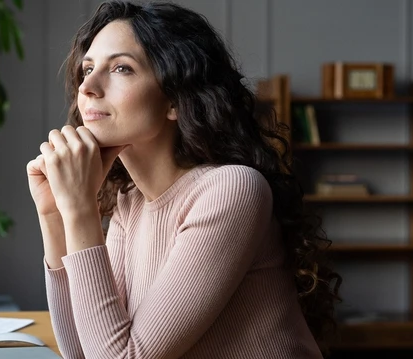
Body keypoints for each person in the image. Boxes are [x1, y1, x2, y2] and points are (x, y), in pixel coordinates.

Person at [25, 1, 342, 358]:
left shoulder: (231, 191)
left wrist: (80, 209)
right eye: (87, 69)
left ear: (176, 99)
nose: (88, 88)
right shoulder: (131, 206)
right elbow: (81, 353)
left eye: (121, 68)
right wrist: (54, 214)